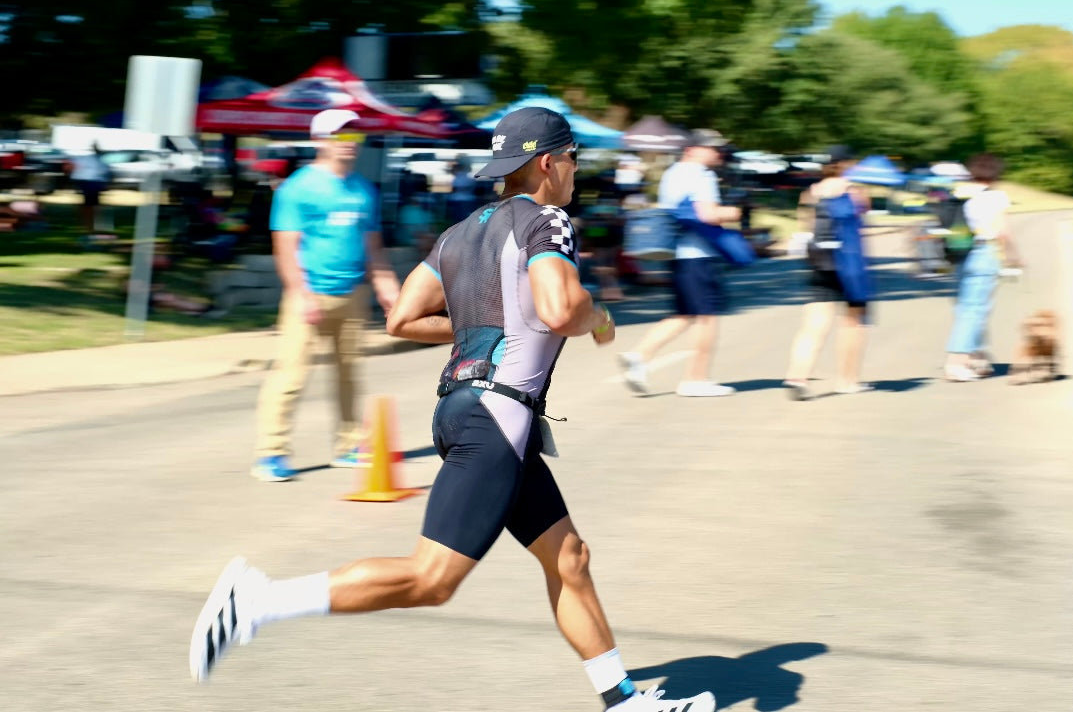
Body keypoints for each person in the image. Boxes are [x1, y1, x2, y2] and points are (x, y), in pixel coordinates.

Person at [189, 107, 716, 712]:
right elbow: (557, 309)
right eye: (574, 158)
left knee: (568, 557)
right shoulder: (548, 220)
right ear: (549, 162)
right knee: (431, 579)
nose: (576, 170)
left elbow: (401, 318)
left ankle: (622, 700)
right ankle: (257, 601)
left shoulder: (461, 231)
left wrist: (480, 326)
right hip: (497, 419)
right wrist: (595, 315)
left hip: (469, 412)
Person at [251, 109, 401, 481]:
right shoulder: (297, 188)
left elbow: (373, 247)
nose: (349, 144)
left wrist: (387, 286)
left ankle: (348, 447)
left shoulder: (363, 190)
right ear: (319, 140)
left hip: (352, 294)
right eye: (341, 136)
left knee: (349, 374)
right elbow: (285, 248)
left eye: (354, 137)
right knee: (290, 376)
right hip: (309, 294)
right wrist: (301, 293)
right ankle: (271, 453)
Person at [617, 129, 743, 397]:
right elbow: (707, 214)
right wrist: (733, 212)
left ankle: (638, 356)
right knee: (707, 318)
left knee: (684, 314)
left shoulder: (672, 173)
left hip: (677, 253)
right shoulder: (702, 174)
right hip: (697, 254)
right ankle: (695, 379)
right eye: (713, 148)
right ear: (692, 149)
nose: (718, 153)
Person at [783, 146, 874, 399]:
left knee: (813, 323)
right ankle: (847, 381)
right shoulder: (855, 192)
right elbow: (864, 211)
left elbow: (805, 226)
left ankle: (797, 377)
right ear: (847, 163)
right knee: (853, 322)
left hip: (820, 260)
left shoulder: (811, 192)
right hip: (849, 263)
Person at [942, 153, 1022, 381]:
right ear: (996, 173)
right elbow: (1003, 232)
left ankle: (977, 359)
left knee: (965, 307)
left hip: (960, 253)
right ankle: (955, 363)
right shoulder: (996, 196)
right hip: (984, 253)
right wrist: (1014, 256)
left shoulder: (960, 192)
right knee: (975, 310)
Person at [69, 142, 110, 234]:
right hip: (91, 184)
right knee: (90, 206)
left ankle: (89, 225)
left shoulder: (93, 159)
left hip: (89, 183)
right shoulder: (97, 159)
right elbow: (103, 172)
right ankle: (90, 226)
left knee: (89, 206)